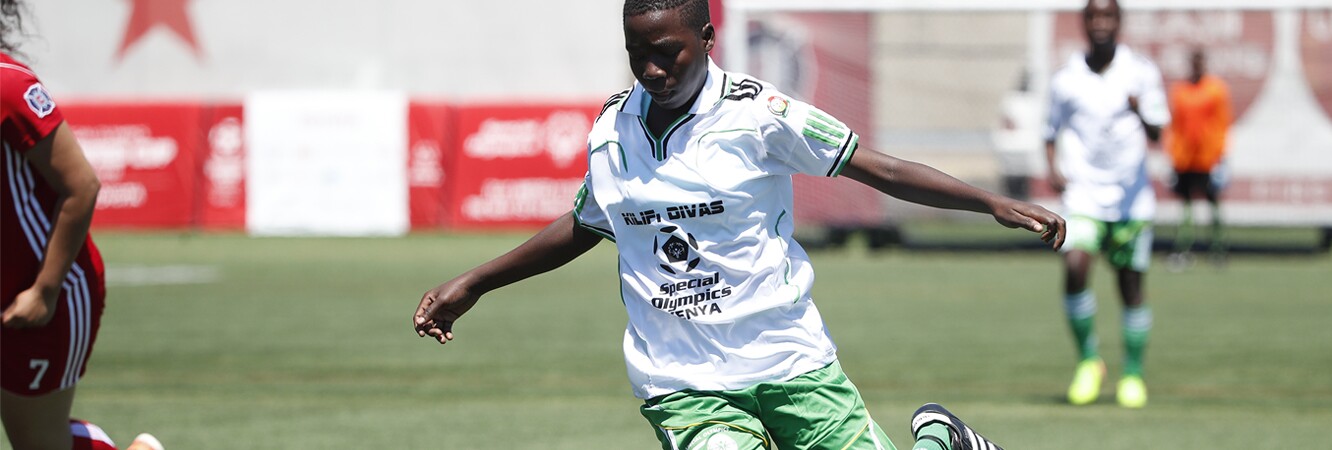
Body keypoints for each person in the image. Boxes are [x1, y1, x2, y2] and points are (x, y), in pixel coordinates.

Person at [412, 1, 1064, 448]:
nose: (651, 70)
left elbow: (877, 169)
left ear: (706, 40)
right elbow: (588, 224)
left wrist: (992, 203)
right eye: (637, 54)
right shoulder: (612, 131)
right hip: (681, 382)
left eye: (666, 53)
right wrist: (474, 282)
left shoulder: (763, 116)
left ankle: (939, 436)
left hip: (790, 361)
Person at [0, 1, 163, 448]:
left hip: (46, 295)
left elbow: (82, 187)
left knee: (39, 443)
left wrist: (44, 292)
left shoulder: (8, 85)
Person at [1043, 0, 1168, 409]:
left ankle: (1132, 373)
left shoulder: (1142, 72)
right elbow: (1050, 130)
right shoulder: (1066, 79)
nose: (1100, 24)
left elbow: (1157, 132)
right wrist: (1054, 169)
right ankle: (1088, 362)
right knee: (1075, 266)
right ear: (1084, 23)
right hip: (1083, 195)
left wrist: (1138, 110)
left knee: (1130, 286)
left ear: (1119, 22)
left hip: (1131, 201)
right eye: (1093, 16)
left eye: (1107, 16)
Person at [1164, 48, 1232, 270]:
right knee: (1185, 205)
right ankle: (1183, 248)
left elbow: (1222, 123)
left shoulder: (1216, 89)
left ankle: (1218, 249)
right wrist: (1173, 153)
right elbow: (1175, 125)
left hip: (1208, 157)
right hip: (1185, 158)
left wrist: (1220, 154)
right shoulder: (1181, 90)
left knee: (1212, 203)